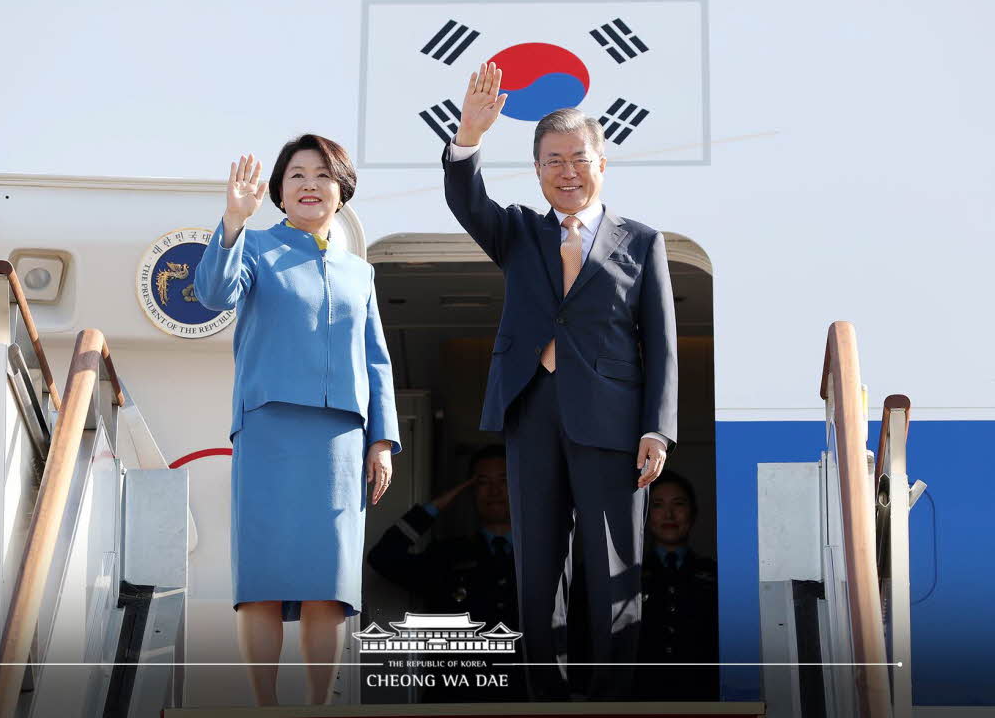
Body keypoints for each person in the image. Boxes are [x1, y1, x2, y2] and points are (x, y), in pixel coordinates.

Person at [440, 62, 678, 700]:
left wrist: (657, 426)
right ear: (537, 169)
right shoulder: (517, 231)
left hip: (613, 420)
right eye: (552, 160)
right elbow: (466, 198)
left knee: (612, 563)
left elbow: (660, 342)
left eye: (577, 157)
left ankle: (610, 696)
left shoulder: (642, 241)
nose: (566, 171)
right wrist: (469, 134)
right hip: (532, 410)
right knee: (537, 565)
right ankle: (545, 696)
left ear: (602, 162)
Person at [193, 136, 401, 706]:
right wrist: (233, 221)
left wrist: (382, 440)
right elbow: (212, 294)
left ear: (342, 190)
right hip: (269, 432)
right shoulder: (255, 247)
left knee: (328, 582)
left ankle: (320, 703)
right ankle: (264, 704)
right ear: (279, 192)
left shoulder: (361, 272)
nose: (309, 185)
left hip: (340, 439)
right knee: (261, 576)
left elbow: (376, 360)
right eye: (296, 175)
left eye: (322, 175)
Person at [367, 445, 526, 702]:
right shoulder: (447, 554)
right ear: (470, 491)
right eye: (482, 483)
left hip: (525, 698)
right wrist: (439, 504)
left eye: (505, 480)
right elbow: (383, 557)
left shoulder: (542, 556)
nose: (495, 492)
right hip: (456, 696)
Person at [635, 472, 719, 701]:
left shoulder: (717, 575)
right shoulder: (629, 577)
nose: (669, 515)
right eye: (658, 505)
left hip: (704, 696)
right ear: (644, 514)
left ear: (693, 512)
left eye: (678, 504)